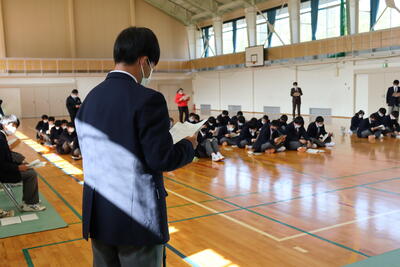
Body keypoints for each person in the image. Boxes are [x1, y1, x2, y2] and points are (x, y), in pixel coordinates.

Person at [75, 27, 197, 267]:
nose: (150, 72)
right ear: (144, 61)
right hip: (136, 218)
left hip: (99, 214)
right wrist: (188, 144)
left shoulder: (90, 99)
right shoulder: (148, 99)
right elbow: (161, 159)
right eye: (152, 65)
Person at [0, 115, 46, 212]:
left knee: (25, 165)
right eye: (13, 125)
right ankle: (29, 203)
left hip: (4, 168)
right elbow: (2, 164)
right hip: (3, 173)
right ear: (5, 125)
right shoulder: (0, 139)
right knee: (31, 174)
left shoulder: (2, 136)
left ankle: (31, 200)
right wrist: (18, 168)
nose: (14, 129)